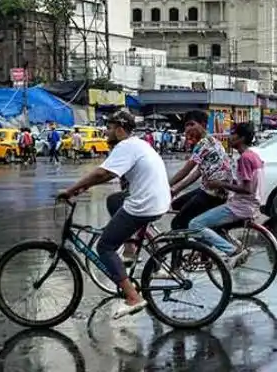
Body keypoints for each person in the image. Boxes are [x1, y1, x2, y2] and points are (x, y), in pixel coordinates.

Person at [57, 110, 170, 320]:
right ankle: (130, 247)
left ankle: (133, 297)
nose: (106, 132)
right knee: (114, 200)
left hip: (144, 204)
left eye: (109, 128)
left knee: (105, 246)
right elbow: (107, 175)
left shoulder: (125, 146)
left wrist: (72, 189)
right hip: (157, 200)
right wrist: (84, 188)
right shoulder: (138, 144)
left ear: (119, 129)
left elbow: (103, 173)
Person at [187, 122, 264, 266]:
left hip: (241, 206)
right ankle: (236, 247)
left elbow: (247, 189)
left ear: (241, 138)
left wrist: (220, 184)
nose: (229, 137)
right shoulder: (253, 156)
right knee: (212, 225)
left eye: (233, 134)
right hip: (249, 204)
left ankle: (232, 251)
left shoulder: (245, 158)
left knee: (195, 224)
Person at [167, 110, 233, 230]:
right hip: (213, 189)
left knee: (177, 224)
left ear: (203, 125)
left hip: (213, 193)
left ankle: (200, 245)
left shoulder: (204, 143)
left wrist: (166, 186)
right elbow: (197, 172)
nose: (188, 129)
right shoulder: (212, 141)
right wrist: (176, 190)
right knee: (177, 204)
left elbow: (185, 171)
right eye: (186, 125)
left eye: (192, 124)